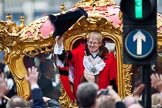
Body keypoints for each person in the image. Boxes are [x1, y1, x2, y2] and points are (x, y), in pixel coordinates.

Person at [54, 31, 117, 100]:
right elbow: (64, 58)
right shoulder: (79, 52)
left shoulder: (109, 58)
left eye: (95, 43)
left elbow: (112, 80)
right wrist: (59, 44)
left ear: (100, 44)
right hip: (82, 96)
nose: (92, 45)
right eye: (90, 42)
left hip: (101, 98)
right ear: (87, 42)